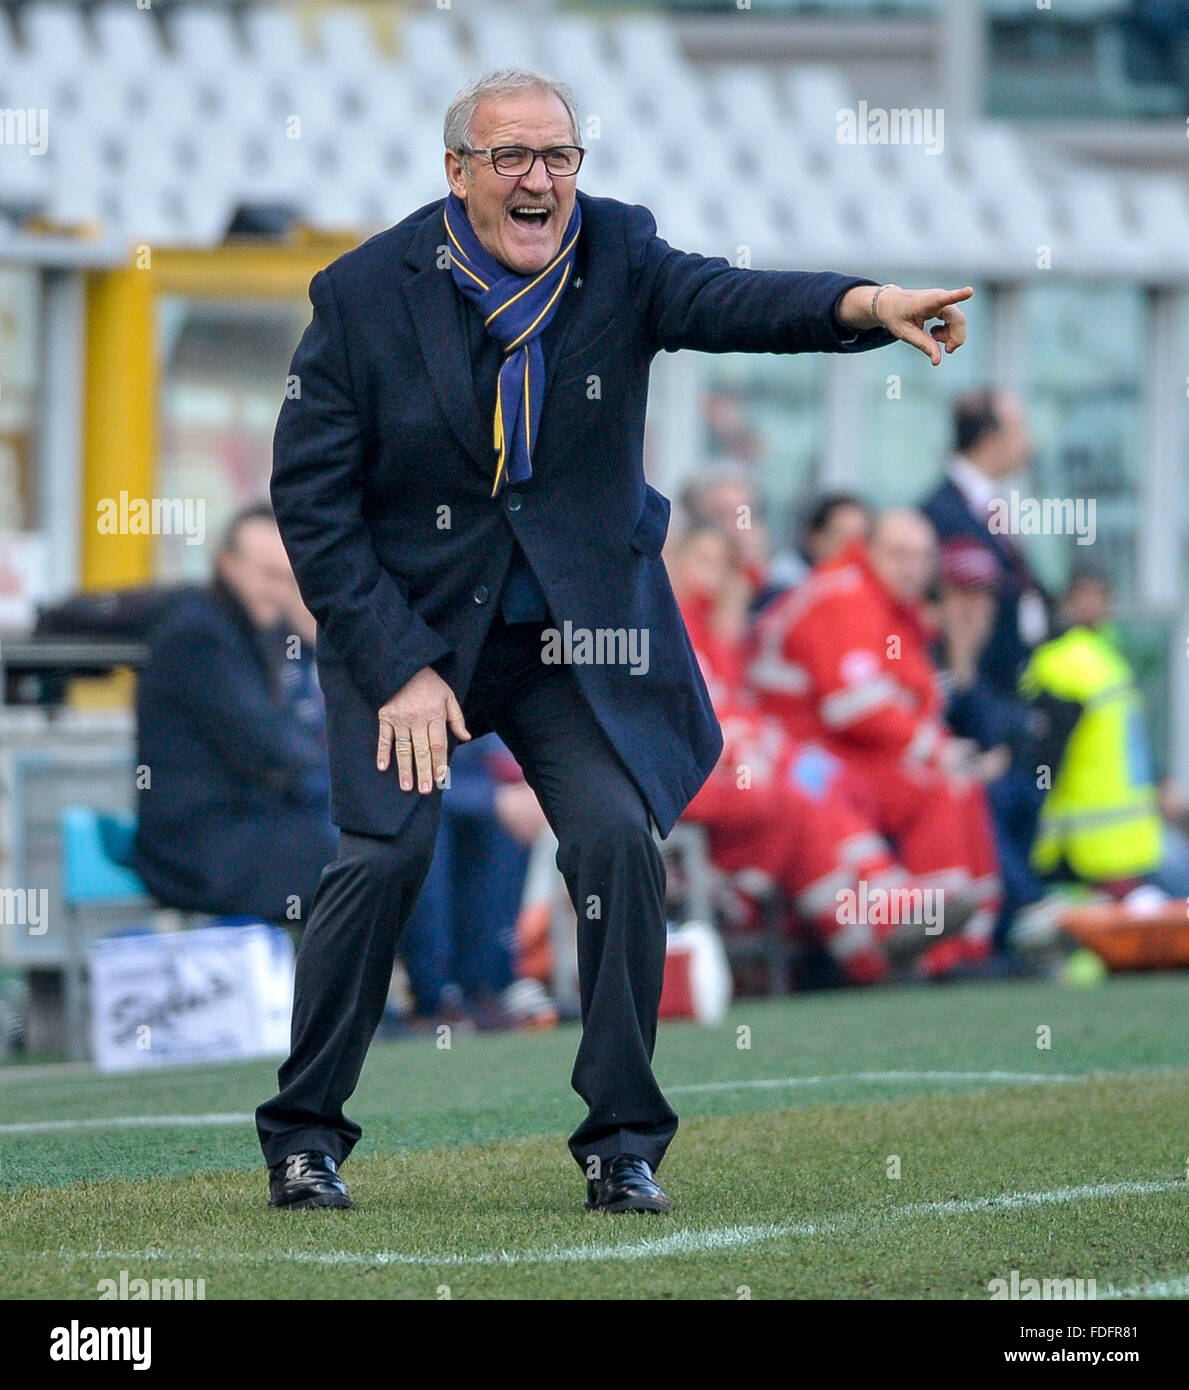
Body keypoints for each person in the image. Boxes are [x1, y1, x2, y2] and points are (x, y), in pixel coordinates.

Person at [257, 65, 973, 1216]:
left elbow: (738, 300)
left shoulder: (619, 254)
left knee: (616, 844)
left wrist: (867, 306)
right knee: (383, 856)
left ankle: (621, 1143)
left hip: (568, 638)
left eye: (560, 157)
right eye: (512, 159)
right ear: (458, 173)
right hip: (413, 636)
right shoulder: (359, 295)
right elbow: (313, 505)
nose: (541, 180)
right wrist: (396, 667)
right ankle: (303, 1137)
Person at [670, 520, 938, 986]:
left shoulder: (714, 633)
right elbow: (703, 725)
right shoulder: (668, 628)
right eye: (702, 562)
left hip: (726, 782)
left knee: (821, 791)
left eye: (723, 566)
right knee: (801, 802)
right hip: (689, 789)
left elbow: (737, 715)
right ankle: (875, 948)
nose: (711, 577)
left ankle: (883, 932)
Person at [749, 510, 1001, 976]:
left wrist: (941, 752)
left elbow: (910, 704)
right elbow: (856, 708)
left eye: (923, 557)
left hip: (835, 754)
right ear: (867, 549)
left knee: (951, 783)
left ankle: (967, 945)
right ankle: (904, 947)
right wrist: (936, 750)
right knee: (926, 780)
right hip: (797, 755)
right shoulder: (844, 596)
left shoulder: (890, 607)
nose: (912, 568)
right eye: (899, 554)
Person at [133, 504, 338, 924]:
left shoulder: (250, 632)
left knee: (374, 845)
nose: (278, 591)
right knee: (360, 856)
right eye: (267, 575)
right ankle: (363, 990)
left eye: (286, 579)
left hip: (238, 829)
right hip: (193, 848)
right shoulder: (200, 636)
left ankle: (389, 988)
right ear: (227, 565)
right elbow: (268, 743)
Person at [1019, 570, 1163, 894]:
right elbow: (1045, 754)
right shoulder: (1064, 660)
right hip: (1080, 843)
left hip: (1117, 840)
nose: (1092, 607)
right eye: (1084, 597)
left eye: (1099, 597)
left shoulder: (1105, 656)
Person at [921, 388, 1049, 696]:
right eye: (1020, 430)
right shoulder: (941, 515)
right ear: (990, 439)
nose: (1029, 445)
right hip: (978, 701)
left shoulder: (991, 504)